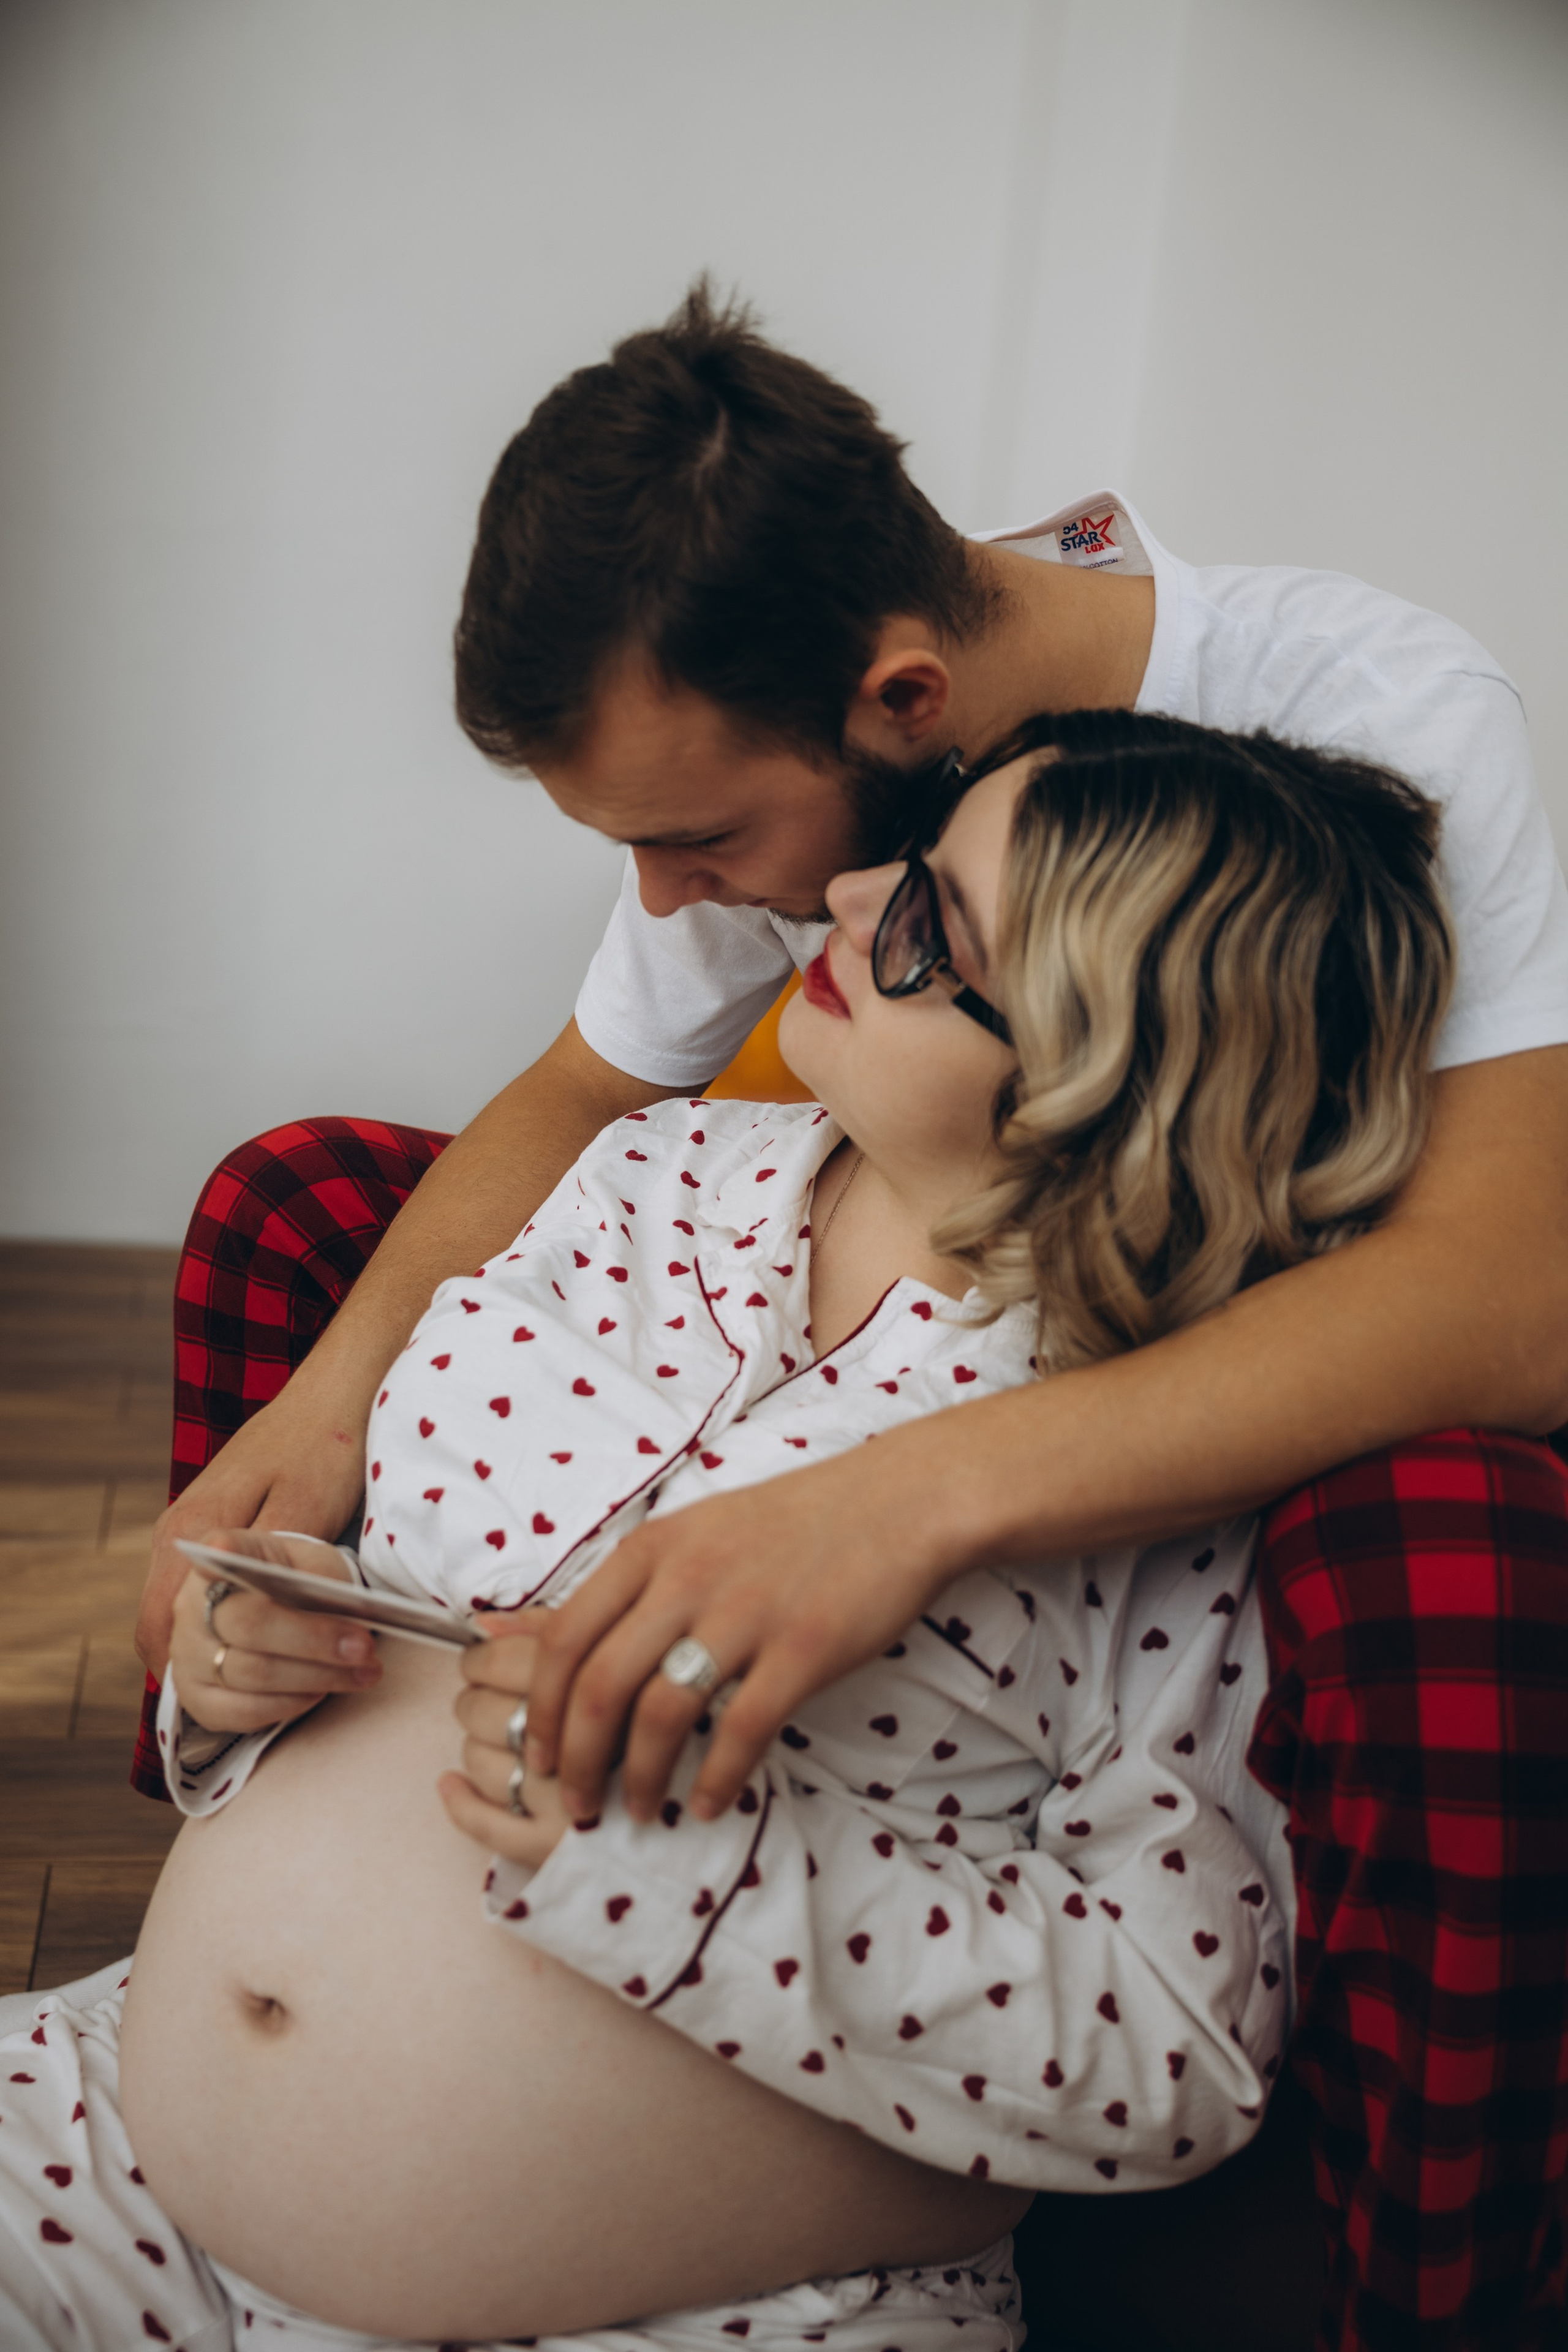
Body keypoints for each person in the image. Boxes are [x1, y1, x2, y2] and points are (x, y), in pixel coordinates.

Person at [132, 290, 1568, 2348]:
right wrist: (325, 1430)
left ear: (909, 703)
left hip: (1178, 1390)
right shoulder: (818, 838)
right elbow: (581, 1095)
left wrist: (894, 1502)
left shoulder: (1373, 709)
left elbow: (1516, 1303)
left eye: (700, 842)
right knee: (315, 1206)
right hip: (192, 2145)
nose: (670, 907)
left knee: (1456, 1542)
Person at [6, 713, 1456, 2350]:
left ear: (1105, 1077)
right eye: (904, 859)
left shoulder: (1156, 1485)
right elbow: (370, 1603)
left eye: (927, 924)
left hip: (722, 2314)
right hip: (113, 2152)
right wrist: (237, 1671)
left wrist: (692, 1866)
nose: (844, 895)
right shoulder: (637, 1177)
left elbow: (1173, 2042)